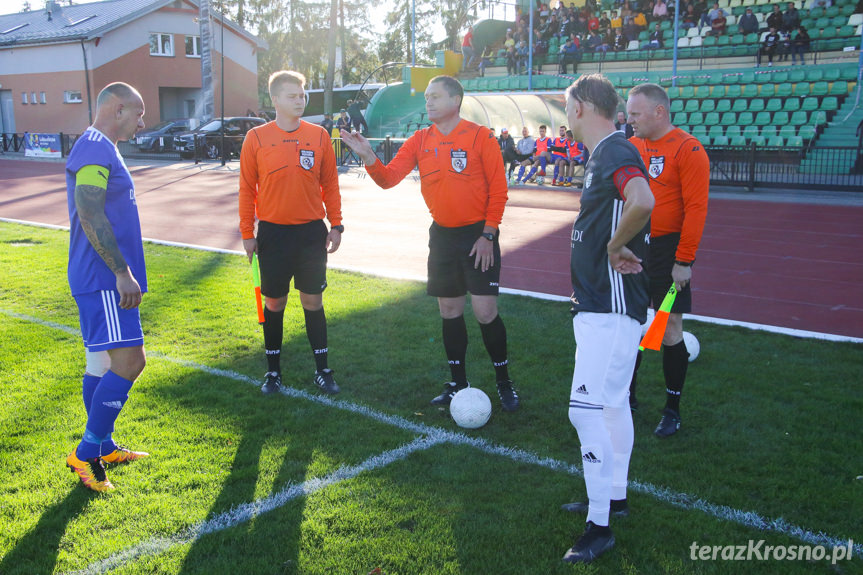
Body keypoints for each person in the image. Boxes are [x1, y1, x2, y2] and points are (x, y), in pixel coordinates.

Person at [340, 76, 520, 411]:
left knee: (485, 312)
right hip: (443, 237)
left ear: (456, 100)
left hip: (479, 236)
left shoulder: (481, 137)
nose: (428, 103)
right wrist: (367, 155)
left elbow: (499, 191)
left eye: (435, 97)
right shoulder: (419, 139)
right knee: (449, 311)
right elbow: (388, 179)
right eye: (426, 98)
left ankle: (504, 381)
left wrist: (488, 235)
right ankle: (458, 382)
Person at [559, 74, 654, 564]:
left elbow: (643, 200)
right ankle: (613, 497)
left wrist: (616, 247)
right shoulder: (607, 153)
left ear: (580, 108)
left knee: (585, 411)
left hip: (610, 307)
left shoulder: (615, 151)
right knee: (613, 405)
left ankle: (599, 526)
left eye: (566, 104)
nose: (564, 113)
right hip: (609, 306)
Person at [64, 82, 150, 492]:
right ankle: (86, 452)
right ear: (117, 109)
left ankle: (105, 445)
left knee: (99, 364)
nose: (142, 121)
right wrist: (120, 271)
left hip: (98, 278)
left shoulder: (100, 147)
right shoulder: (96, 147)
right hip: (103, 279)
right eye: (138, 112)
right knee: (132, 362)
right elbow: (89, 209)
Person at [239, 70, 344, 397]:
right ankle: (273, 373)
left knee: (313, 300)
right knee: (275, 303)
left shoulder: (319, 136)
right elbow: (246, 189)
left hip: (312, 233)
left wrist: (337, 224)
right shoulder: (255, 138)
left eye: (302, 95)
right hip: (273, 234)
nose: (300, 101)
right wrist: (247, 232)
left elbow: (330, 184)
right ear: (275, 100)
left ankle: (323, 370)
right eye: (292, 96)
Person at [625, 82, 710, 437]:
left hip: (668, 253)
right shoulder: (629, 147)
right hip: (633, 248)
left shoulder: (688, 149)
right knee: (628, 327)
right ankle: (625, 397)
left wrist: (684, 260)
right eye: (627, 113)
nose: (628, 119)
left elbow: (696, 209)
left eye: (635, 113)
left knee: (668, 330)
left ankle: (672, 409)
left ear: (659, 112)